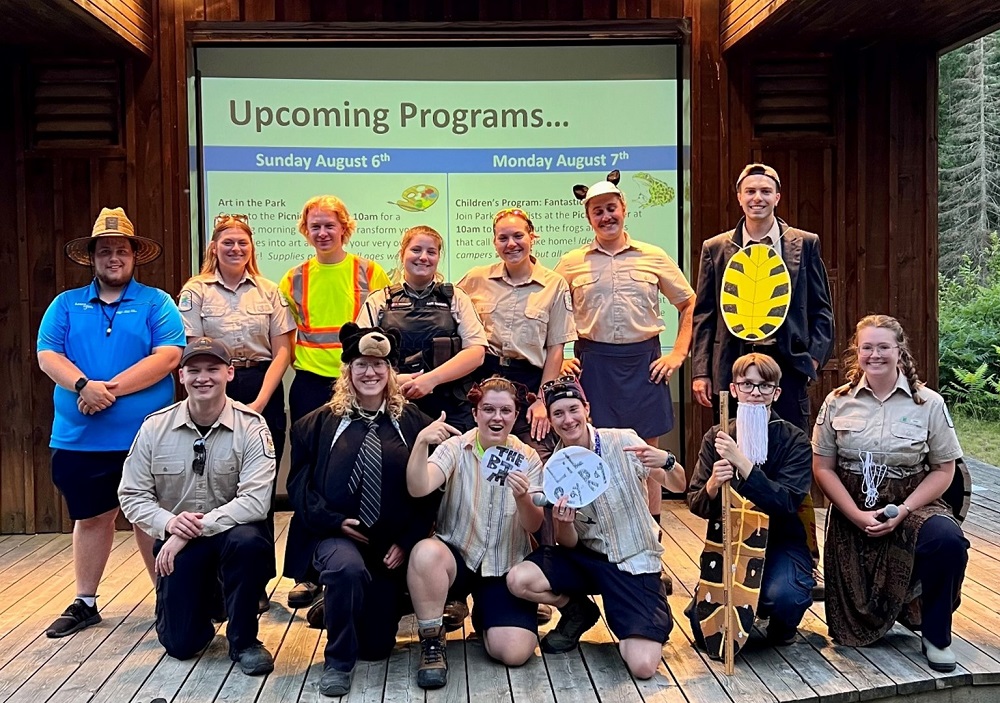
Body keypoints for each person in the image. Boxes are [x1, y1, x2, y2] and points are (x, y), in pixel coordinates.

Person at [36, 207, 185, 638]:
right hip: (80, 438)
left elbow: (169, 356)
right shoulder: (65, 304)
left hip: (146, 438)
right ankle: (85, 601)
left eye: (121, 250)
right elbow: (48, 355)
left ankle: (167, 596)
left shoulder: (157, 302)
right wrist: (83, 385)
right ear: (93, 258)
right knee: (91, 517)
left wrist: (106, 390)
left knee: (149, 518)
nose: (113, 258)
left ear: (135, 255)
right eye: (105, 251)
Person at [691, 163, 834, 594]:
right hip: (733, 372)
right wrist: (701, 370)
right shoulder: (716, 247)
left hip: (785, 371)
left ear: (777, 197)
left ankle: (804, 556)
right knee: (730, 455)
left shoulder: (803, 244)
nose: (757, 198)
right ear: (739, 197)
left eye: (766, 191)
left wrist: (811, 361)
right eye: (750, 191)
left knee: (792, 458)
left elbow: (822, 310)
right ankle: (732, 549)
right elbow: (704, 315)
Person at [285, 323, 436, 697]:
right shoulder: (317, 424)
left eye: (379, 365)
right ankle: (337, 661)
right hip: (337, 537)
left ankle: (347, 605)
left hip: (388, 548)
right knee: (345, 569)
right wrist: (333, 521)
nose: (370, 373)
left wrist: (409, 539)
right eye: (361, 365)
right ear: (347, 371)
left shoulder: (413, 422)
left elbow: (434, 488)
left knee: (376, 648)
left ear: (391, 373)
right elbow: (298, 487)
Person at [813, 315, 968, 672]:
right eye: (867, 347)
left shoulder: (928, 403)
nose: (875, 354)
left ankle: (937, 636)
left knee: (947, 541)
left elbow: (945, 470)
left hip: (912, 500)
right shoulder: (837, 402)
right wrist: (855, 514)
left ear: (900, 350)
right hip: (855, 505)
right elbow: (822, 468)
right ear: (858, 351)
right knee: (846, 635)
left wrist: (904, 508)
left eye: (884, 347)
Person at [118, 337, 276, 675]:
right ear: (181, 376)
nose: (203, 377)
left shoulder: (252, 426)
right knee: (181, 646)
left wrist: (193, 529)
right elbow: (131, 494)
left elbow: (256, 502)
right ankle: (208, 603)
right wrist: (169, 525)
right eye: (194, 370)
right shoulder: (154, 427)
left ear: (230, 373)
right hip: (179, 539)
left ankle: (245, 640)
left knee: (248, 543)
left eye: (213, 369)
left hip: (232, 534)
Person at [506, 376, 676, 679]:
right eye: (558, 414)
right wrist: (564, 523)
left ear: (587, 409)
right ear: (552, 420)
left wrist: (667, 462)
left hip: (634, 560)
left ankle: (646, 604)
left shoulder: (624, 441)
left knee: (643, 666)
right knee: (520, 580)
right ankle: (577, 610)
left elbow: (680, 483)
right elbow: (567, 543)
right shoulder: (555, 468)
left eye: (573, 409)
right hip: (589, 558)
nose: (568, 419)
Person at [556, 170, 695, 525]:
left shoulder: (653, 255)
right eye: (598, 211)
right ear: (589, 218)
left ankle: (652, 538)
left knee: (646, 454)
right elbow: (550, 311)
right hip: (594, 365)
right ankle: (600, 536)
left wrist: (678, 354)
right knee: (593, 450)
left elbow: (689, 303)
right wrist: (560, 361)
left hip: (644, 364)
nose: (606, 217)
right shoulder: (572, 263)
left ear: (624, 208)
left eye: (611, 208)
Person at [178, 214, 295, 612]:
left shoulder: (269, 291)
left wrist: (260, 403)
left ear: (251, 248)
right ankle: (215, 578)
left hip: (261, 385)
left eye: (242, 243)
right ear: (214, 246)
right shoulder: (195, 292)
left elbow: (283, 351)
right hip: (214, 385)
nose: (235, 249)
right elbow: (194, 351)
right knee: (214, 481)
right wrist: (220, 397)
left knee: (257, 488)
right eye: (227, 242)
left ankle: (256, 582)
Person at [280, 195, 391, 610]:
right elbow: (285, 338)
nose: (323, 232)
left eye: (330, 225)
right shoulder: (291, 278)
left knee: (357, 474)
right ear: (305, 231)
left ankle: (357, 561)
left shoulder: (369, 271)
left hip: (359, 381)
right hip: (311, 385)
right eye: (315, 226)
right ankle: (306, 573)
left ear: (345, 227)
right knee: (307, 479)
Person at [405, 376, 543, 689]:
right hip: (458, 557)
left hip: (503, 565)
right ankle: (431, 637)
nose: (497, 417)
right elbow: (419, 486)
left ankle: (486, 618)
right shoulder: (455, 448)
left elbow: (534, 525)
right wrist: (421, 443)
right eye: (489, 409)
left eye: (506, 411)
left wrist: (522, 497)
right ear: (475, 413)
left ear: (516, 415)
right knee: (425, 553)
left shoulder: (528, 458)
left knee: (514, 652)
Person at [685, 353, 814, 648]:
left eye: (765, 386)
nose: (755, 393)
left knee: (782, 597)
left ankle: (782, 624)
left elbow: (786, 502)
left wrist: (743, 464)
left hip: (781, 541)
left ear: (776, 393)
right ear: (733, 389)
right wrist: (713, 484)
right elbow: (696, 503)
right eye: (747, 384)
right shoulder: (717, 436)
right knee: (703, 628)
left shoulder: (794, 439)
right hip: (729, 542)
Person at [457, 208, 577, 459]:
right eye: (503, 238)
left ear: (532, 237)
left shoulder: (554, 285)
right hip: (481, 380)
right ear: (494, 243)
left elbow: (556, 348)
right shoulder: (476, 278)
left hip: (529, 385)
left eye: (518, 236)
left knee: (535, 458)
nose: (511, 244)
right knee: (472, 456)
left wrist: (543, 401)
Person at [357, 225, 486, 431]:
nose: (423, 257)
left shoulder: (456, 298)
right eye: (416, 250)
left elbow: (476, 352)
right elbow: (358, 356)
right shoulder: (380, 301)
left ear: (438, 257)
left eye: (431, 252)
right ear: (403, 253)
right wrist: (393, 380)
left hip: (451, 408)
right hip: (393, 403)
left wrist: (431, 380)